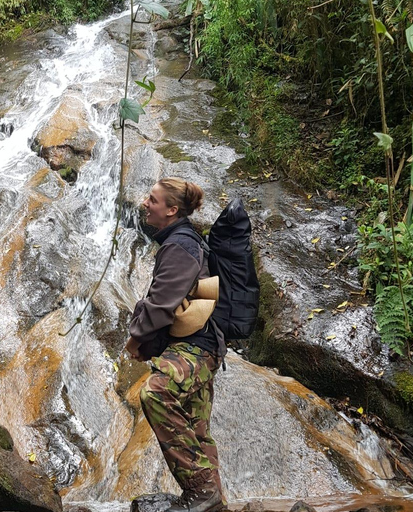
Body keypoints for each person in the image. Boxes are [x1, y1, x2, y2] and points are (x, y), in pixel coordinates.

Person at [126, 177, 226, 512]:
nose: (145, 203)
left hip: (196, 346)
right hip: (206, 344)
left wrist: (136, 338)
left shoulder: (180, 247)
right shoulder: (184, 241)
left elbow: (161, 305)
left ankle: (201, 491)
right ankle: (214, 501)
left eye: (152, 200)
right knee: (196, 428)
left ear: (171, 209)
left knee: (155, 392)